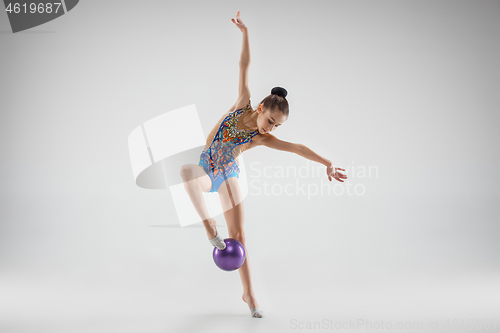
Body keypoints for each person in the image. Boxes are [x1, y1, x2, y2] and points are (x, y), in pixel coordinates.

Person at [179, 10, 347, 318]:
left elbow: (297, 148)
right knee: (186, 172)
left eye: (276, 126)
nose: (270, 129)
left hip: (227, 174)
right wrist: (245, 33)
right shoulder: (242, 101)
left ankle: (249, 293)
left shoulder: (261, 138)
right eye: (270, 121)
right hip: (207, 167)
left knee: (239, 237)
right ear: (259, 108)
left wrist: (327, 163)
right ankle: (207, 224)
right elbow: (244, 65)